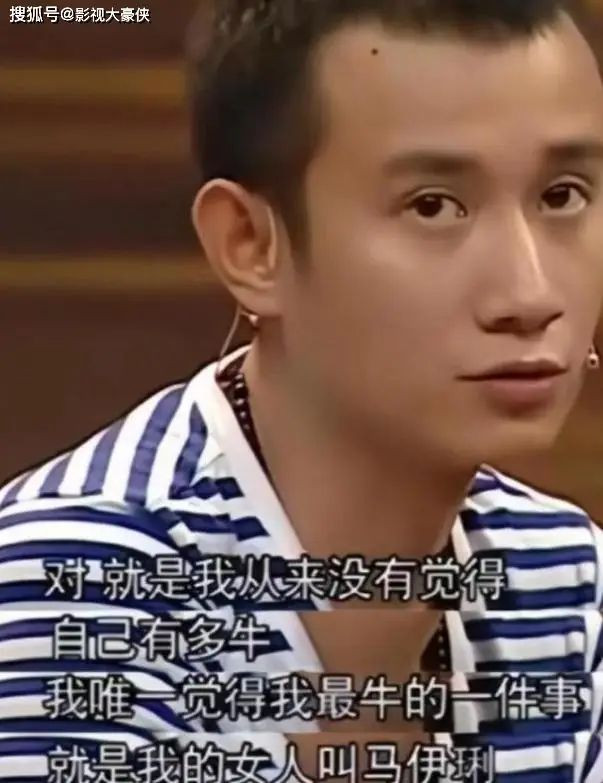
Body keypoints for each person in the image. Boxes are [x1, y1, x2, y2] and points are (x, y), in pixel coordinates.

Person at [2, 0, 603, 779]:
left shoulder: (561, 571)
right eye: (432, 205)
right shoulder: (72, 580)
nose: (528, 294)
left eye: (561, 195)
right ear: (250, 244)